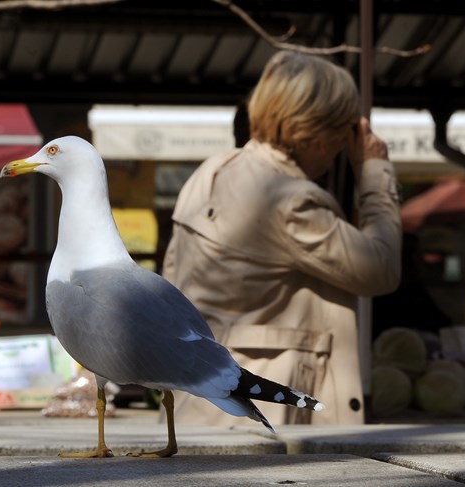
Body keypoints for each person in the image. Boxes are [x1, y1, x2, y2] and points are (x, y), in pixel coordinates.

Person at [162, 50, 402, 426]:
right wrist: (374, 173)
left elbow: (173, 275)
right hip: (264, 417)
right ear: (321, 136)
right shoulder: (291, 201)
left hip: (201, 403)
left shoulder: (209, 172)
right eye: (341, 136)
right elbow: (381, 268)